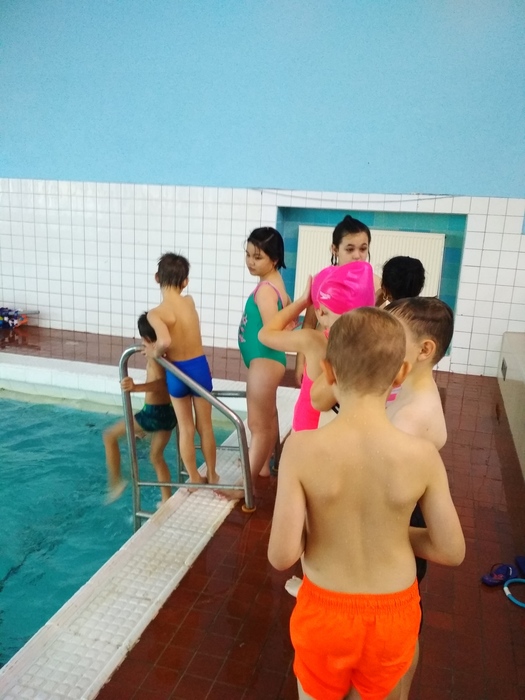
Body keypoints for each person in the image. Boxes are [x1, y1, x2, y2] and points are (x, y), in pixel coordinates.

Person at [268, 308, 465, 700]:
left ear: (329, 371)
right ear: (401, 373)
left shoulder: (301, 449)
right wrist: (392, 531)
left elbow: (282, 554)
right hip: (393, 613)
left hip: (325, 610)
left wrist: (327, 527)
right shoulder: (423, 456)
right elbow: (451, 550)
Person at [385, 296, 454, 700]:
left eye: (393, 338)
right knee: (407, 621)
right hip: (405, 511)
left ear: (425, 350)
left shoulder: (415, 415)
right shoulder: (410, 388)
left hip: (402, 522)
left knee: (401, 622)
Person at [259, 261, 375, 432]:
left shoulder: (314, 341)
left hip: (306, 430)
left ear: (320, 311)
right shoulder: (372, 346)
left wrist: (302, 302)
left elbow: (265, 334)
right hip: (339, 432)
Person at [146, 253, 219, 487]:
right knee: (205, 426)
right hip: (198, 368)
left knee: (186, 428)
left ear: (157, 278)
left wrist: (155, 352)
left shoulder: (156, 313)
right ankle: (213, 474)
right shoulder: (189, 302)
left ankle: (194, 478)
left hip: (176, 373)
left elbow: (165, 341)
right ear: (185, 282)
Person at [295, 215, 381, 386]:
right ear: (335, 249)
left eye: (363, 249)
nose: (357, 255)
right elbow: (309, 323)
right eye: (350, 249)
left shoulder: (375, 284)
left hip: (354, 361)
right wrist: (300, 363)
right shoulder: (322, 280)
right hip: (321, 354)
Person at [103, 313, 177, 504]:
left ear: (146, 338)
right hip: (169, 412)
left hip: (153, 413)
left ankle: (116, 482)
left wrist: (136, 387)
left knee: (109, 436)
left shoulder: (155, 358)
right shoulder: (168, 352)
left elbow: (161, 384)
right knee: (156, 457)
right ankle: (166, 499)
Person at [238, 227, 290, 480]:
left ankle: (242, 485)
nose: (250, 261)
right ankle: (262, 466)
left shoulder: (267, 290)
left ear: (274, 259)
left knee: (257, 426)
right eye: (248, 255)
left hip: (264, 360)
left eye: (257, 257)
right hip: (266, 361)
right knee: (267, 418)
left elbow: (272, 331)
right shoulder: (275, 284)